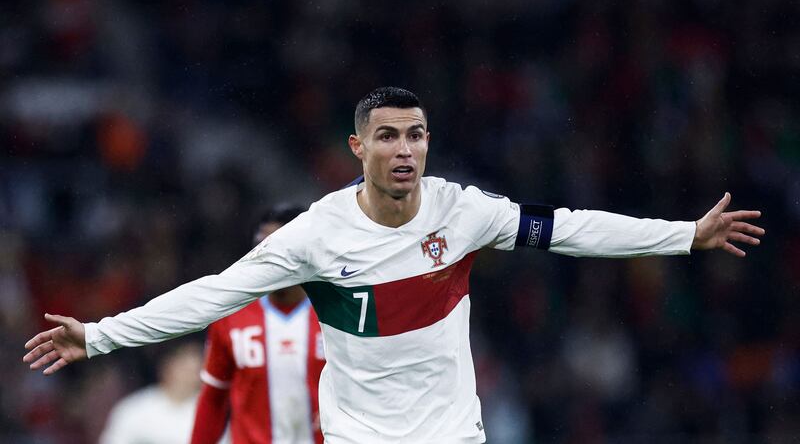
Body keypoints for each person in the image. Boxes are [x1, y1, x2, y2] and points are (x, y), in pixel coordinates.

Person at [24, 87, 765, 443]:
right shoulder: (316, 234)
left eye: (415, 135)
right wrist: (100, 335)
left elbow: (569, 228)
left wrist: (682, 235)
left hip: (452, 434)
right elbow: (213, 295)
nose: (405, 149)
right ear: (358, 149)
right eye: (387, 136)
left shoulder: (463, 211)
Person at [191, 206, 325, 444]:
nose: (267, 257)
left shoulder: (334, 312)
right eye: (261, 246)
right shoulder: (231, 315)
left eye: (277, 246)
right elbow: (213, 397)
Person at [99, 341, 203, 444]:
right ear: (167, 367)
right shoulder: (135, 408)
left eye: (194, 371)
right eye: (184, 369)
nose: (188, 377)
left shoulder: (207, 411)